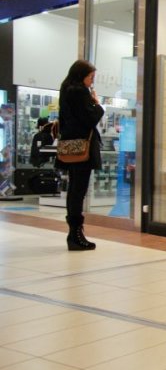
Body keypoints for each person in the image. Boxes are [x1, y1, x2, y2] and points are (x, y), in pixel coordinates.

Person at [55, 59, 105, 251]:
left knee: (74, 189)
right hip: (82, 147)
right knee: (79, 190)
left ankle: (74, 233)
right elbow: (89, 118)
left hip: (71, 146)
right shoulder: (79, 92)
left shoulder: (66, 90)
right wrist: (97, 104)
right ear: (81, 76)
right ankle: (75, 235)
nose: (92, 81)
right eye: (90, 77)